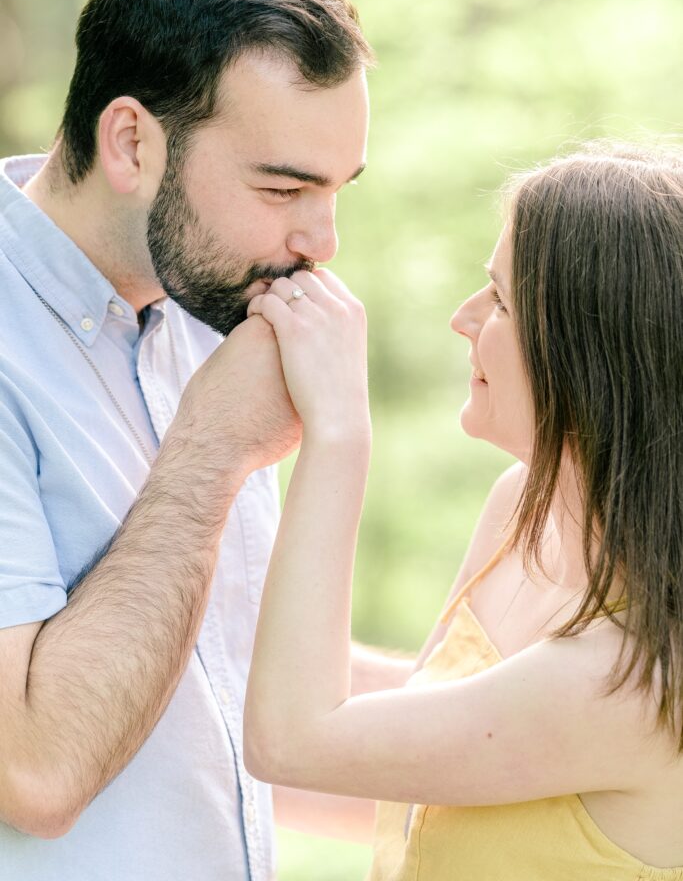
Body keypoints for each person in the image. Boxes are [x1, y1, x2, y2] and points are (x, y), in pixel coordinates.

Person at [0, 0, 411, 881]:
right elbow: (35, 768)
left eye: (338, 189)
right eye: (283, 187)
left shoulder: (208, 310)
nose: (323, 240)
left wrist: (589, 708)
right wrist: (214, 450)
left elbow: (237, 698)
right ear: (132, 141)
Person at [244, 143, 683, 879]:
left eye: (501, 300)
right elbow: (418, 742)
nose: (462, 318)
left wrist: (337, 433)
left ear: (591, 353)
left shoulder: (635, 677)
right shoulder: (519, 509)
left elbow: (292, 741)